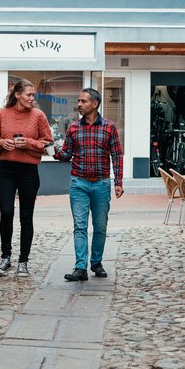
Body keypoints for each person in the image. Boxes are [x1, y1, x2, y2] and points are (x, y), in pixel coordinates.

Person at [54, 87, 124, 281]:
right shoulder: (74, 128)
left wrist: (118, 181)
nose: (79, 104)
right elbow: (66, 154)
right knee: (80, 226)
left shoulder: (109, 127)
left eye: (83, 101)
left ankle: (96, 263)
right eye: (78, 101)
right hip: (79, 184)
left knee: (100, 226)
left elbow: (117, 155)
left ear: (95, 104)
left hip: (101, 184)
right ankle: (80, 268)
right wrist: (51, 150)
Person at [0, 80, 53, 277]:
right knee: (6, 212)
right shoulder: (1, 114)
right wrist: (1, 142)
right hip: (6, 169)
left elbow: (49, 145)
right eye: (29, 95)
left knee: (26, 216)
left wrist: (29, 143)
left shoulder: (38, 116)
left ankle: (23, 261)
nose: (32, 98)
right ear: (17, 95)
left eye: (33, 95)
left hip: (29, 172)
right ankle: (5, 257)